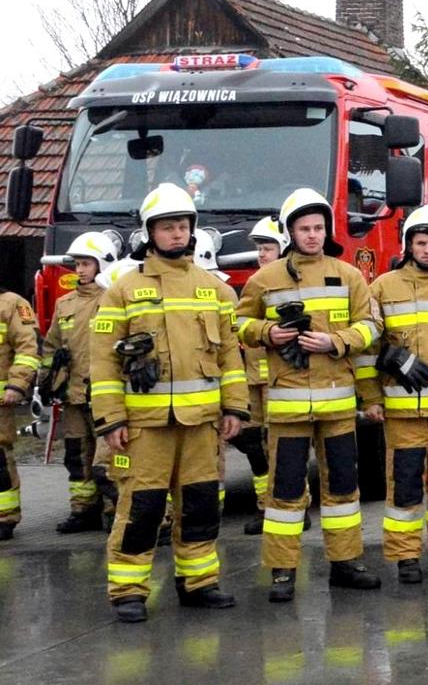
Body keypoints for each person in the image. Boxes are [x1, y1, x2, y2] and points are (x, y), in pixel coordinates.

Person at [90, 183, 247, 621]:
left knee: (200, 506)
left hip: (201, 424)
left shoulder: (215, 289)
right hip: (145, 427)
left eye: (182, 226)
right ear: (149, 233)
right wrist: (111, 420)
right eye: (167, 227)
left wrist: (235, 407)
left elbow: (230, 356)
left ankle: (199, 583)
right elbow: (103, 362)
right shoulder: (123, 290)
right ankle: (128, 591)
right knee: (141, 509)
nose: (177, 234)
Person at [236, 187, 384, 601]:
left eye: (319, 228)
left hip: (338, 406)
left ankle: (346, 562)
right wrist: (269, 332)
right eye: (305, 228)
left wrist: (335, 342)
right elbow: (239, 324)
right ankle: (282, 571)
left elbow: (372, 326)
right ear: (290, 232)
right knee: (285, 492)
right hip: (288, 408)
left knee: (343, 491)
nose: (313, 235)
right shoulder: (264, 279)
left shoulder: (349, 275)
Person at [357, 205, 428, 583]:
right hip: (401, 410)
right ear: (408, 245)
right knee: (405, 483)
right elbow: (368, 349)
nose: (427, 250)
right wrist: (371, 397)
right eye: (420, 243)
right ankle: (406, 556)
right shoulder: (382, 287)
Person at [41, 232, 118, 534]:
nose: (80, 270)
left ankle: (113, 511)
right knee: (76, 455)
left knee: (108, 459)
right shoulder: (65, 304)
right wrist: (49, 382)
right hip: (72, 395)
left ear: (103, 264)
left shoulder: (113, 298)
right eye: (77, 265)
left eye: (87, 263)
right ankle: (83, 510)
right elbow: (51, 347)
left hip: (104, 395)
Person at [234, 216, 286, 536]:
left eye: (268, 248)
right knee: (254, 445)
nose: (261, 254)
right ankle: (265, 505)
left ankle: (290, 506)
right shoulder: (256, 284)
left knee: (280, 447)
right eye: (260, 249)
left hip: (279, 381)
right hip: (252, 381)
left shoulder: (287, 285)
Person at [0, 272, 38, 541]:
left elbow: (27, 348)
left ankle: (5, 517)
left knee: (0, 459)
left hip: (1, 401)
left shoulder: (12, 304)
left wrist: (17, 384)